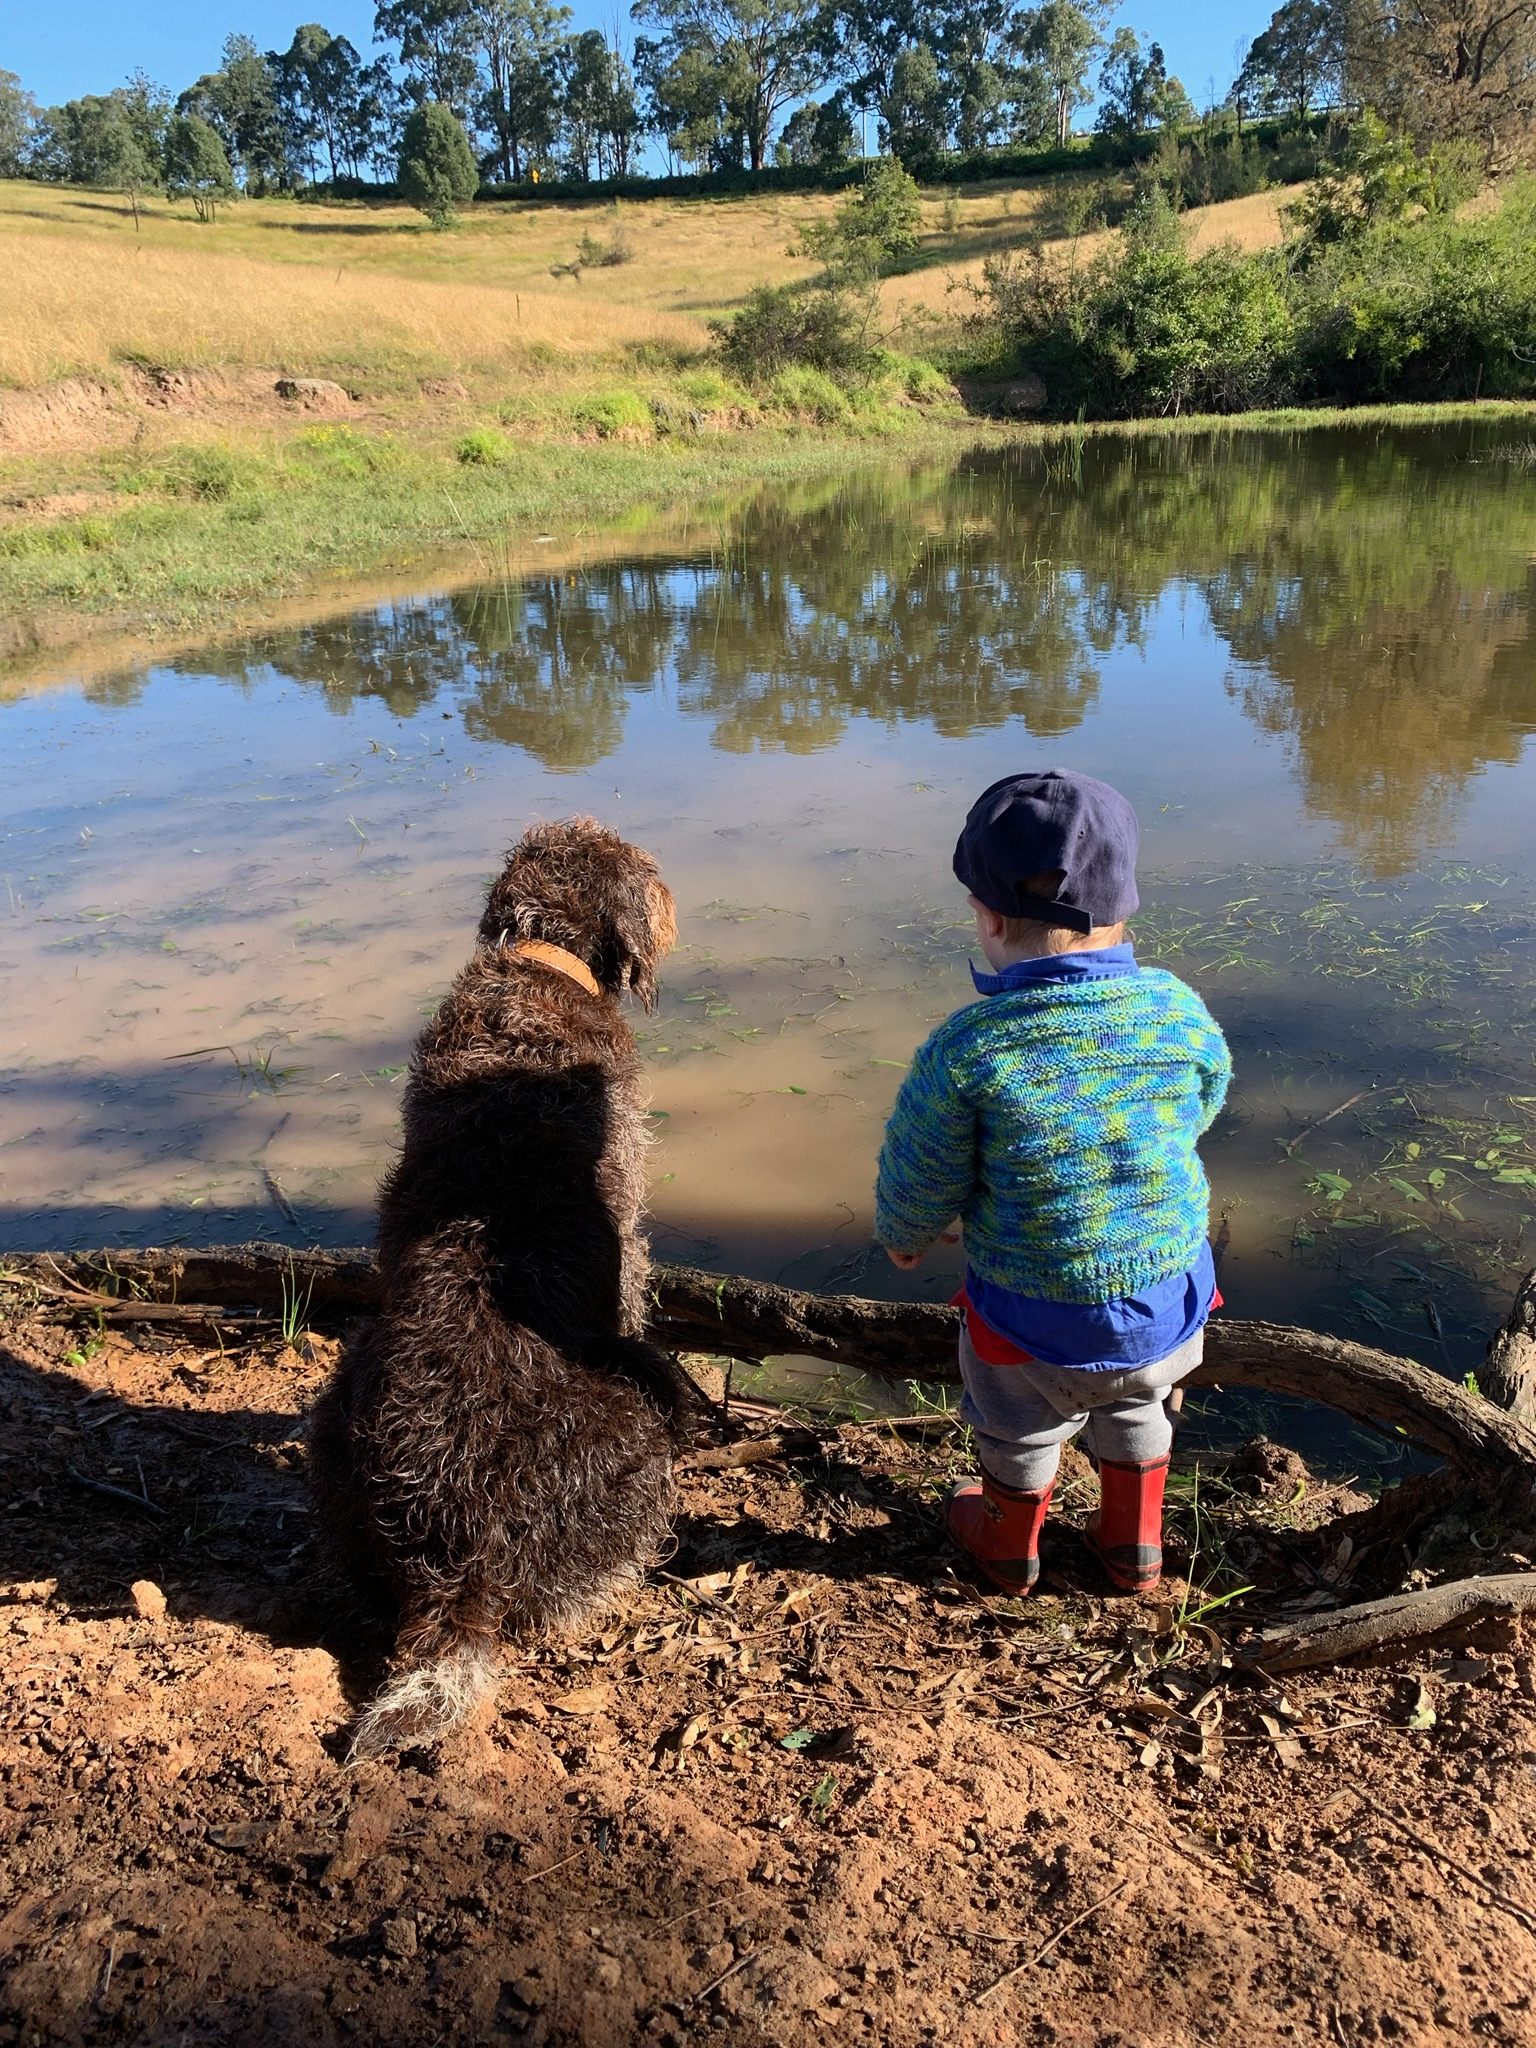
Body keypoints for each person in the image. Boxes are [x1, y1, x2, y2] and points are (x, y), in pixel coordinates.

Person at [874, 770, 1231, 1595]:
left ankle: (1007, 1546)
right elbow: (1200, 1103)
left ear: (990, 917)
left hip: (1026, 1318)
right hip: (1166, 1305)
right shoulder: (1177, 1011)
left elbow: (920, 1173)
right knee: (1142, 1407)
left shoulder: (971, 1047)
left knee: (1016, 1427)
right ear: (1127, 906)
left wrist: (904, 1240)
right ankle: (1133, 1546)